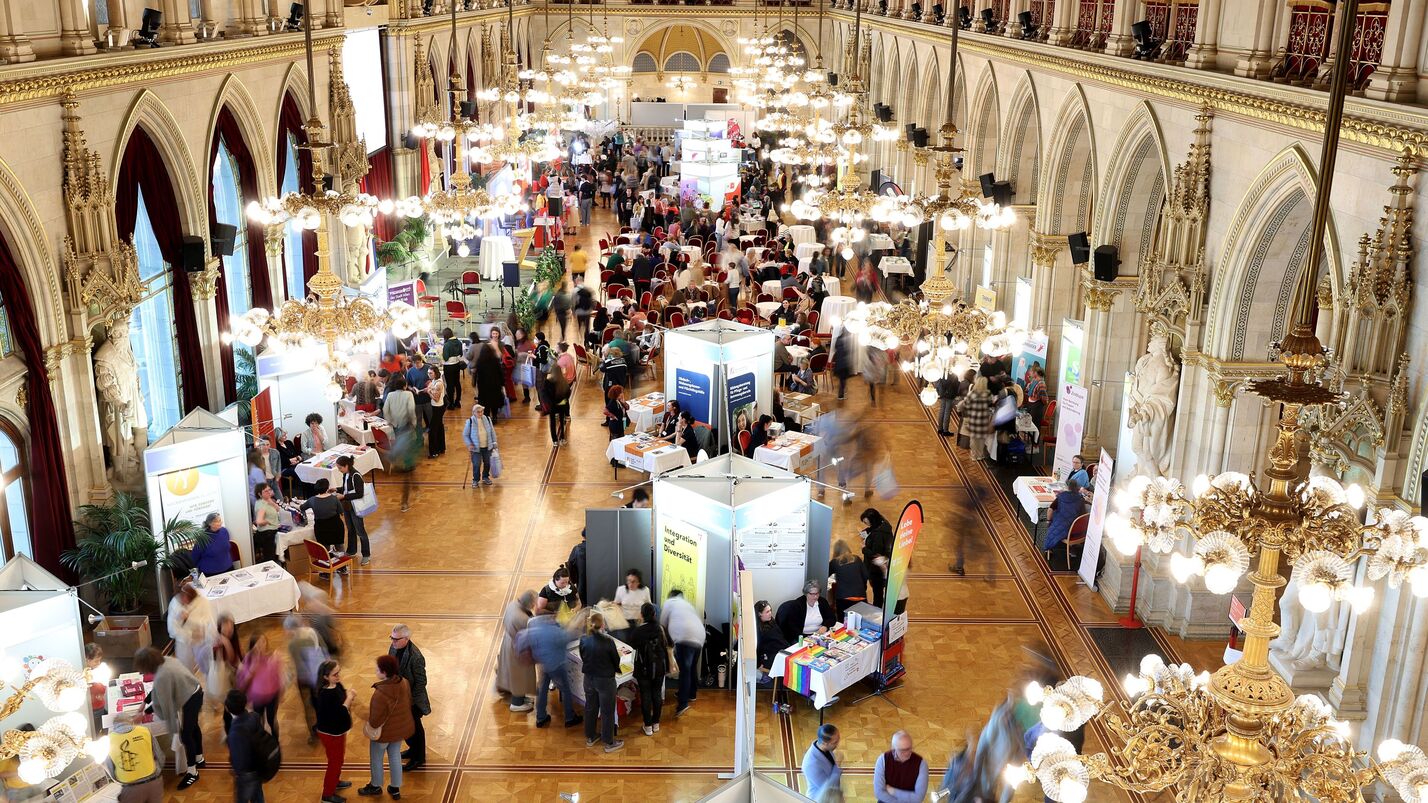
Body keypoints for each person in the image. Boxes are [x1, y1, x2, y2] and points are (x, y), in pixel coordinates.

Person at [133, 646, 204, 789]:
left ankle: (192, 772)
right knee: (194, 727)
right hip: (196, 691)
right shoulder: (167, 660)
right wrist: (144, 704)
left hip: (189, 699)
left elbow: (164, 705)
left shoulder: (161, 676)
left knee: (186, 735)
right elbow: (158, 691)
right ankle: (199, 758)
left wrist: (144, 714)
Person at [359, 654, 415, 799]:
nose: (375, 671)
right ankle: (395, 788)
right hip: (399, 730)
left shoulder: (380, 694)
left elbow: (375, 721)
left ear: (384, 672)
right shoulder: (404, 683)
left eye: (377, 669)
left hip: (383, 734)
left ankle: (376, 785)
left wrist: (359, 710)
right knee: (395, 756)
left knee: (377, 758)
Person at [578, 611, 625, 753]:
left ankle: (591, 737)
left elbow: (582, 655)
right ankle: (609, 742)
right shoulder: (608, 641)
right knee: (607, 711)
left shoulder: (584, 639)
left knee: (590, 707)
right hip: (605, 680)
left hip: (589, 678)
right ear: (603, 624)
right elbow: (616, 660)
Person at [527, 611, 582, 728]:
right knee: (566, 690)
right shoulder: (555, 632)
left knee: (542, 690)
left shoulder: (536, 626)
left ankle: (540, 717)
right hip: (557, 665)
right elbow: (569, 637)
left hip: (542, 663)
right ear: (552, 617)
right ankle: (569, 717)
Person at [387, 624, 429, 773]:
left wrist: (409, 700)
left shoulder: (415, 656)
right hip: (398, 696)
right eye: (392, 638)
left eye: (396, 639)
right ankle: (413, 750)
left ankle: (419, 757)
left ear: (406, 638)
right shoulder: (393, 648)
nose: (393, 642)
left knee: (415, 729)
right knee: (405, 727)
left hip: (412, 700)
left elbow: (421, 682)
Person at [313, 660, 355, 803]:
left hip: (338, 731)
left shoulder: (336, 685)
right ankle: (327, 794)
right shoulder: (325, 695)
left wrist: (346, 695)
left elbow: (341, 697)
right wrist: (349, 699)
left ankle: (335, 781)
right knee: (334, 763)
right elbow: (339, 713)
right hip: (330, 734)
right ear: (325, 677)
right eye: (335, 674)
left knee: (339, 759)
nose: (338, 676)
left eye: (339, 672)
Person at [659, 588, 705, 717]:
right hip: (699, 637)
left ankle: (682, 704)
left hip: (685, 637)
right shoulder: (687, 604)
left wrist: (667, 645)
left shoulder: (669, 602)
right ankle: (691, 694)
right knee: (691, 668)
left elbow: (662, 625)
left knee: (684, 671)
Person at [103, 712, 165, 803]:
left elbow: (111, 769)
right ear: (131, 721)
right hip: (154, 782)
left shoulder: (107, 741)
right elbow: (160, 756)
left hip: (131, 788)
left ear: (114, 726)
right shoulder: (145, 731)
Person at [626, 602, 668, 737]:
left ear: (642, 615)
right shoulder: (660, 628)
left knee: (646, 696)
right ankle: (656, 723)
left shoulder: (638, 631)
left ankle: (648, 725)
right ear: (655, 614)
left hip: (643, 668)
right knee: (657, 694)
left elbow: (631, 645)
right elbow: (669, 644)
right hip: (659, 667)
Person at [285, 614, 326, 743]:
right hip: (318, 675)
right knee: (319, 703)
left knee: (307, 708)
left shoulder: (293, 643)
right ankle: (323, 727)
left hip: (304, 679)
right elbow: (323, 649)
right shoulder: (313, 632)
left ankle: (313, 735)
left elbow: (298, 665)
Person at [496, 591, 538, 713]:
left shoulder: (513, 605)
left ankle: (521, 699)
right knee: (519, 676)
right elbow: (531, 633)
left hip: (509, 642)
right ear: (529, 603)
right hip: (517, 649)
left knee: (516, 675)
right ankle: (517, 703)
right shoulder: (522, 619)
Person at [237, 633, 282, 738]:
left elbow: (277, 677)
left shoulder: (272, 657)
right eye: (258, 643)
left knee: (272, 720)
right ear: (252, 646)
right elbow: (242, 684)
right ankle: (262, 742)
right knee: (259, 721)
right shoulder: (248, 659)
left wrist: (281, 693)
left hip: (272, 695)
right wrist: (252, 670)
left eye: (263, 642)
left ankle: (276, 743)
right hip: (257, 697)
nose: (261, 645)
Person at [167, 581, 215, 678]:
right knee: (186, 672)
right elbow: (172, 628)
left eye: (186, 597)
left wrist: (190, 619)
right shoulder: (175, 603)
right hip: (184, 642)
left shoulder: (202, 602)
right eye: (181, 597)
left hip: (201, 641)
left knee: (208, 668)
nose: (183, 600)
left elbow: (208, 622)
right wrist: (188, 634)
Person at [225, 689, 265, 803]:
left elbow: (239, 759)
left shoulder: (234, 733)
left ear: (228, 708)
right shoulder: (255, 716)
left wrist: (236, 771)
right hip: (258, 766)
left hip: (246, 773)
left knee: (242, 799)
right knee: (258, 796)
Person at [335, 455, 371, 565]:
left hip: (355, 507)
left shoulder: (356, 476)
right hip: (347, 506)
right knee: (350, 529)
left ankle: (366, 555)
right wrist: (336, 489)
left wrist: (343, 497)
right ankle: (351, 551)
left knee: (360, 531)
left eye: (340, 468)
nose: (339, 470)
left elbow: (359, 494)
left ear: (346, 466)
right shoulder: (345, 474)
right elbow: (346, 489)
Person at [874, 730, 929, 803]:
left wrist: (893, 791)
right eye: (903, 750)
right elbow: (879, 793)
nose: (908, 753)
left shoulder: (921, 764)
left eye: (910, 748)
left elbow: (918, 798)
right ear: (894, 749)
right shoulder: (882, 760)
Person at [210, 614, 242, 727]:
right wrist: (226, 643)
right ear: (220, 627)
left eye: (231, 627)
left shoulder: (232, 638)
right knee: (229, 706)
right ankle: (230, 730)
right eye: (226, 627)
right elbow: (231, 658)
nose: (229, 630)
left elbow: (237, 656)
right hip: (225, 679)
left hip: (233, 675)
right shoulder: (217, 641)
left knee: (233, 705)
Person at [300, 479, 346, 554]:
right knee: (340, 547)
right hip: (336, 527)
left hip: (321, 529)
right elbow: (341, 512)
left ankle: (327, 564)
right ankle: (344, 564)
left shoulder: (312, 500)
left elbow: (302, 507)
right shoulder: (334, 499)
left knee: (324, 550)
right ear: (327, 488)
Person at [860, 508, 895, 608]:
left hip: (876, 569)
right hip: (876, 567)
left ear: (873, 520)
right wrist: (866, 531)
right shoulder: (883, 524)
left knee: (877, 593)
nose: (866, 525)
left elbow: (875, 553)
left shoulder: (879, 535)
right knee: (877, 590)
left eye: (867, 523)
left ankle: (876, 611)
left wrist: (864, 548)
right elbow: (872, 528)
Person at [957, 376, 997, 462]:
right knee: (981, 438)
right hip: (983, 419)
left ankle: (974, 455)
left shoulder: (972, 394)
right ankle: (980, 455)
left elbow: (966, 405)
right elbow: (991, 402)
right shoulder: (988, 393)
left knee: (973, 438)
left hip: (973, 418)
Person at [802, 724, 844, 801]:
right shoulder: (811, 764)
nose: (837, 744)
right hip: (821, 798)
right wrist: (837, 764)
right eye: (835, 742)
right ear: (825, 743)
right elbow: (829, 787)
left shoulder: (826, 748)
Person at [828, 540, 870, 618]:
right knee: (861, 622)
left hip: (843, 597)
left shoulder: (834, 562)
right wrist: (862, 589)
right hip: (860, 596)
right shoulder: (857, 559)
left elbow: (825, 575)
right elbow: (866, 575)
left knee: (843, 623)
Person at [753, 600, 790, 683]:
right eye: (767, 612)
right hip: (772, 655)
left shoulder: (771, 621)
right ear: (759, 614)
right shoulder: (758, 629)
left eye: (770, 611)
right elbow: (757, 647)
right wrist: (758, 664)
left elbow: (780, 637)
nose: (770, 613)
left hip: (781, 649)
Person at [462, 403, 498, 487]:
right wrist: (469, 444)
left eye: (481, 411)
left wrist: (494, 442)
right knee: (476, 464)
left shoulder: (488, 419)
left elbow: (492, 432)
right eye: (478, 412)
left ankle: (485, 477)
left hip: (487, 446)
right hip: (475, 448)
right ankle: (475, 479)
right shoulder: (470, 422)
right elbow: (465, 435)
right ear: (474, 412)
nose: (480, 413)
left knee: (487, 462)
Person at [474, 343, 508, 426]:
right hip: (495, 385)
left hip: (483, 386)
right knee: (494, 402)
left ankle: (486, 418)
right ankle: (495, 416)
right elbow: (500, 373)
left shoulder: (480, 361)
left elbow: (476, 373)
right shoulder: (495, 360)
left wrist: (474, 383)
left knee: (485, 403)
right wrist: (502, 383)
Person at [192, 512, 234, 576]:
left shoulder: (224, 531)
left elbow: (226, 548)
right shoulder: (202, 537)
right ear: (210, 523)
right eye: (217, 521)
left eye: (220, 520)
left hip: (228, 568)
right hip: (210, 572)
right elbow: (195, 556)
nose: (220, 523)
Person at [251, 482, 281, 564]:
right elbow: (259, 521)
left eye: (269, 490)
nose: (269, 492)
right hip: (267, 534)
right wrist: (268, 521)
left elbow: (278, 509)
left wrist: (272, 503)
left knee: (270, 557)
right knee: (270, 559)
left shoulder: (266, 500)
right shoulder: (262, 505)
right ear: (260, 494)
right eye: (265, 491)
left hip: (269, 532)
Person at [425, 367, 447, 457]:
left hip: (438, 408)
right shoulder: (433, 381)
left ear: (436, 373)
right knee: (439, 427)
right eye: (428, 373)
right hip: (435, 407)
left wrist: (428, 392)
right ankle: (441, 448)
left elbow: (436, 399)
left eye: (431, 373)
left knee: (433, 430)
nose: (429, 375)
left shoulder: (438, 383)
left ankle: (434, 451)